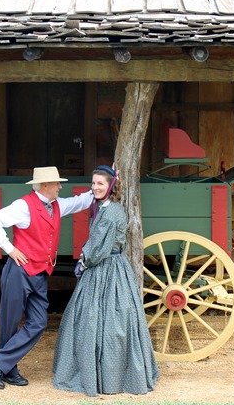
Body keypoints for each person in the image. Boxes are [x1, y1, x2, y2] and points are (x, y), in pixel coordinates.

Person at [52, 165, 159, 397]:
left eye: (100, 184)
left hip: (107, 269)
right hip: (107, 268)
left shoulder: (110, 213)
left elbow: (98, 248)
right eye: (93, 183)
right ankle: (100, 373)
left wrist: (83, 261)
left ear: (110, 186)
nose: (95, 188)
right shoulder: (103, 207)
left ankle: (108, 378)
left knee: (105, 324)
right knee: (95, 322)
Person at [0, 166, 93, 389]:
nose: (60, 187)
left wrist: (106, 185)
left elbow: (79, 202)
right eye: (57, 184)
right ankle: (8, 369)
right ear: (44, 185)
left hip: (40, 273)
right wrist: (9, 249)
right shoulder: (23, 206)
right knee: (9, 324)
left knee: (39, 323)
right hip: (19, 272)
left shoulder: (57, 205)